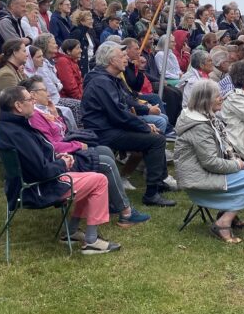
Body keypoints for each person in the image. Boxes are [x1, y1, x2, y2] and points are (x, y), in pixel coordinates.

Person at [0, 86, 120, 255]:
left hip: (26, 185)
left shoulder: (9, 127)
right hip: (38, 188)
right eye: (29, 100)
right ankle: (91, 241)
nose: (33, 102)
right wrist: (63, 163)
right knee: (99, 180)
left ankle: (72, 231)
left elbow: (38, 159)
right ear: (18, 106)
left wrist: (58, 157)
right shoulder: (18, 133)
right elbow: (42, 171)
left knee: (91, 177)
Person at [19, 76, 150, 227]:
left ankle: (112, 202)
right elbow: (52, 146)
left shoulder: (42, 112)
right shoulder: (35, 117)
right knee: (105, 163)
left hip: (62, 155)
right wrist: (78, 146)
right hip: (58, 161)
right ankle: (126, 212)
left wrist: (56, 116)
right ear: (33, 95)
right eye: (44, 90)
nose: (48, 93)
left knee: (105, 151)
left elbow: (60, 135)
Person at [81, 42, 176, 207]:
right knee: (157, 140)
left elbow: (124, 105)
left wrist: (142, 121)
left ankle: (158, 182)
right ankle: (151, 194)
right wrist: (144, 125)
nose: (126, 59)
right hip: (103, 132)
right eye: (122, 56)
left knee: (157, 135)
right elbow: (118, 114)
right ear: (111, 60)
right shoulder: (102, 82)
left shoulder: (108, 79)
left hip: (110, 127)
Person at [174, 80, 244, 243]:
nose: (221, 98)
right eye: (217, 96)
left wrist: (235, 160)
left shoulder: (207, 117)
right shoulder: (199, 126)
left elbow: (221, 149)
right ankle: (222, 223)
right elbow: (211, 163)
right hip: (197, 178)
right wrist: (236, 164)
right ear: (205, 100)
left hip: (204, 170)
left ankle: (226, 212)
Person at [0, 39, 28, 145]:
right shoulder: (6, 74)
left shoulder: (13, 70)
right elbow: (16, 104)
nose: (27, 54)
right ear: (15, 52)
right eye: (24, 51)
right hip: (6, 129)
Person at [70, 9, 96, 77]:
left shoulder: (89, 32)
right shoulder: (77, 32)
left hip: (90, 65)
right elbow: (72, 50)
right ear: (81, 21)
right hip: (82, 65)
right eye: (89, 19)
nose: (91, 21)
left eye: (91, 19)